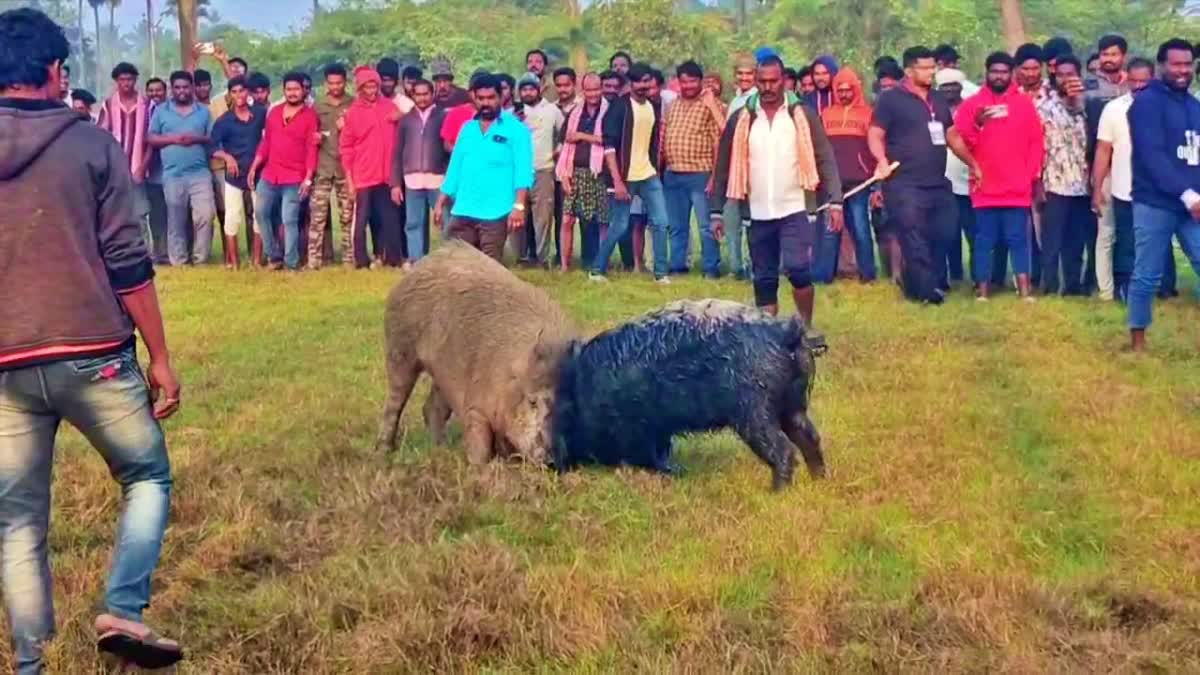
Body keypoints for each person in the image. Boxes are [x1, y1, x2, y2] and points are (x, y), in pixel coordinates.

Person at [0, 9, 182, 671]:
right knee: (146, 474)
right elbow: (128, 262)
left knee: (18, 521)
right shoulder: (92, 142)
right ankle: (123, 609)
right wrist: (160, 357)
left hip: (5, 364)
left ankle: (29, 664)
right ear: (55, 72)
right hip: (94, 352)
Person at [710, 55, 843, 324]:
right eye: (762, 82)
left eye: (773, 81)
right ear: (755, 82)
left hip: (794, 207)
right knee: (764, 277)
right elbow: (723, 165)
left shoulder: (802, 114)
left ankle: (805, 325)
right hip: (757, 211)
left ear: (784, 81)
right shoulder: (742, 118)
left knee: (798, 270)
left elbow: (825, 157)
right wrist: (716, 211)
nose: (768, 87)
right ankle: (769, 336)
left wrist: (836, 201)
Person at [869, 46, 972, 304]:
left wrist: (974, 163)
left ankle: (914, 280)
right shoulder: (891, 99)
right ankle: (927, 292)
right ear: (909, 70)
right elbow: (875, 134)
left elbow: (950, 135)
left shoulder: (937, 99)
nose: (931, 72)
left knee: (945, 231)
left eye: (932, 67)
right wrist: (881, 161)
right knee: (913, 235)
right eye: (925, 68)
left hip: (937, 181)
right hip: (904, 183)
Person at [1126, 39, 1200, 351]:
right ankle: (1138, 341)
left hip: (1192, 203)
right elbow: (1153, 156)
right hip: (1156, 202)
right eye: (1176, 64)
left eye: (1188, 64)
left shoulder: (1194, 105)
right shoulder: (1146, 103)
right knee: (1147, 273)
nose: (1183, 70)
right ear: (1161, 66)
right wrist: (1187, 195)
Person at [953, 51, 1044, 301]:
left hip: (1017, 186)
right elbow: (961, 143)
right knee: (984, 241)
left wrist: (1029, 175)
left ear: (1011, 74)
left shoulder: (1023, 103)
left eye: (1004, 72)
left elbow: (1036, 141)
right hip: (985, 186)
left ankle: (1025, 292)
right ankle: (982, 292)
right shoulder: (971, 105)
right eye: (994, 71)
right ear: (987, 73)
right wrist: (978, 124)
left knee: (1018, 240)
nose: (999, 76)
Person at [435, 75, 533, 262]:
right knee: (454, 263)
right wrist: (440, 202)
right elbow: (455, 167)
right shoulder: (467, 129)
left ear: (501, 97)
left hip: (496, 211)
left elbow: (523, 171)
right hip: (463, 208)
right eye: (481, 99)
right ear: (474, 98)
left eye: (490, 98)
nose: (486, 103)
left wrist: (519, 206)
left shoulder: (517, 130)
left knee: (489, 268)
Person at [591, 63, 671, 283]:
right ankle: (597, 270)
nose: (644, 86)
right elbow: (609, 147)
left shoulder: (653, 106)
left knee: (661, 222)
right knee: (620, 225)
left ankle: (661, 274)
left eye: (647, 81)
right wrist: (617, 181)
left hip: (648, 174)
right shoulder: (620, 107)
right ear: (630, 83)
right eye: (639, 81)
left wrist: (655, 167)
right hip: (625, 177)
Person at [1093, 58, 1154, 303]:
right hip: (1124, 189)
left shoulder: (1163, 107)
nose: (1138, 86)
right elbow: (1103, 150)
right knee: (1126, 242)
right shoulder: (1114, 109)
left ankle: (1157, 287)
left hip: (1157, 191)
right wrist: (1097, 188)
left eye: (1144, 81)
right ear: (1126, 78)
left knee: (1152, 243)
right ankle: (1125, 291)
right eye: (1134, 81)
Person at [248, 71, 318, 271]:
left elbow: (312, 149)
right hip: (270, 174)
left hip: (295, 177)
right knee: (260, 213)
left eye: (296, 89)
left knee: (289, 219)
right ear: (284, 90)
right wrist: (254, 167)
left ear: (303, 91)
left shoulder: (310, 116)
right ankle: (274, 256)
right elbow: (266, 142)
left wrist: (308, 179)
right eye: (289, 89)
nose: (293, 93)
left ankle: (291, 262)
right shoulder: (275, 112)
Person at [662, 60, 726, 277]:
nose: (688, 86)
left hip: (701, 174)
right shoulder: (673, 105)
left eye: (692, 81)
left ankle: (711, 268)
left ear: (700, 81)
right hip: (673, 174)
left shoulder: (710, 104)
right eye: (684, 82)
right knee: (677, 226)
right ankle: (678, 266)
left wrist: (713, 178)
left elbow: (720, 141)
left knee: (706, 226)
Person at [1036, 54, 1091, 296]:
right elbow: (1035, 145)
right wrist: (1037, 182)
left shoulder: (1088, 106)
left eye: (1071, 74)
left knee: (1076, 239)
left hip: (1082, 182)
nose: (1066, 78)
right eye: (1061, 74)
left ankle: (1073, 285)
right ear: (1054, 76)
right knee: (1051, 240)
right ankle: (1048, 285)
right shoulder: (1043, 107)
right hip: (1054, 183)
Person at [148, 70, 214, 266]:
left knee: (205, 214)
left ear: (192, 88)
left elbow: (211, 137)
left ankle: (200, 259)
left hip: (199, 173)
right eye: (177, 87)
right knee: (176, 218)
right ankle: (178, 260)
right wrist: (174, 139)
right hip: (173, 174)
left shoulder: (203, 111)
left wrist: (196, 138)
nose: (182, 91)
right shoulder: (161, 111)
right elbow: (150, 138)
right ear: (172, 89)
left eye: (185, 87)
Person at [818, 67, 877, 283]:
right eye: (839, 90)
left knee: (861, 229)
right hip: (832, 183)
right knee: (830, 231)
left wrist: (875, 182)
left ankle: (868, 275)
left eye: (848, 90)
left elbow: (874, 147)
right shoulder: (826, 114)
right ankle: (825, 277)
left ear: (856, 89)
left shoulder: (867, 113)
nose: (843, 94)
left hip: (859, 182)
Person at [339, 66, 402, 269]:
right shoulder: (353, 113)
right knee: (361, 220)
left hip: (386, 175)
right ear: (359, 88)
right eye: (367, 86)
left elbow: (408, 116)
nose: (371, 89)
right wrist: (350, 181)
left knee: (390, 218)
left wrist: (399, 115)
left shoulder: (390, 106)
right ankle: (360, 260)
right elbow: (346, 148)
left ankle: (392, 258)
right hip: (363, 175)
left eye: (374, 85)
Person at [209, 75, 266, 269]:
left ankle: (256, 260)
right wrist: (227, 157)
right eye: (234, 92)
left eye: (242, 91)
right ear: (230, 95)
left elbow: (270, 137)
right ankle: (234, 262)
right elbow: (212, 147)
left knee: (259, 215)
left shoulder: (259, 114)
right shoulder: (224, 120)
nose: (238, 95)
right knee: (232, 217)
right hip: (234, 175)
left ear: (248, 92)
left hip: (257, 172)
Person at [391, 78, 449, 264]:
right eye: (418, 94)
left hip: (438, 179)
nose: (422, 98)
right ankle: (416, 260)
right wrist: (395, 183)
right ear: (412, 95)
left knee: (446, 221)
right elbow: (397, 152)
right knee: (413, 223)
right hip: (412, 180)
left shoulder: (442, 116)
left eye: (426, 94)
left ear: (432, 94)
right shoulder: (406, 120)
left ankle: (450, 259)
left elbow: (448, 149)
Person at [557, 72, 609, 272]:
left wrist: (581, 136)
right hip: (574, 172)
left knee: (602, 220)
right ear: (583, 90)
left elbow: (609, 139)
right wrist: (564, 175)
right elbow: (566, 140)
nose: (593, 94)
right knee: (567, 219)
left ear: (601, 89)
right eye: (589, 90)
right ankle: (564, 266)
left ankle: (601, 263)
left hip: (599, 173)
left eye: (596, 89)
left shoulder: (608, 111)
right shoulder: (575, 112)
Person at [933, 68, 979, 287]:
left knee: (973, 233)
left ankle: (979, 277)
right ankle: (953, 275)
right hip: (942, 181)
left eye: (954, 85)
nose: (949, 90)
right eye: (944, 86)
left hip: (968, 180)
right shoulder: (932, 110)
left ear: (961, 86)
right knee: (947, 233)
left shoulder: (971, 109)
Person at [97, 62, 153, 244]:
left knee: (140, 213)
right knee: (115, 213)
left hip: (139, 168)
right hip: (115, 170)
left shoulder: (147, 105)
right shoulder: (107, 105)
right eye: (122, 79)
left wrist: (143, 166)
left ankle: (144, 251)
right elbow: (101, 137)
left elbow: (152, 140)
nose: (126, 83)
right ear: (116, 81)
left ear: (135, 80)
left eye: (130, 79)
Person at [513, 72, 564, 267]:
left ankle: (543, 259)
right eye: (523, 89)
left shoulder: (552, 110)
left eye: (531, 89)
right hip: (518, 173)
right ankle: (522, 257)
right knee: (518, 217)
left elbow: (564, 133)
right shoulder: (513, 114)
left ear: (538, 90)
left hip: (543, 170)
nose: (527, 93)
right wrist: (516, 122)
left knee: (543, 219)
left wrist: (557, 151)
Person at [310, 64, 356, 268]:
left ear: (345, 82)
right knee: (317, 216)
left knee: (347, 215)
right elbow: (309, 133)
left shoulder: (354, 104)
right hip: (323, 167)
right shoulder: (318, 106)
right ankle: (314, 259)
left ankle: (349, 258)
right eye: (331, 83)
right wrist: (315, 137)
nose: (335, 86)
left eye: (339, 82)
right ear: (325, 83)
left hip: (346, 169)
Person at [144, 77, 169, 263]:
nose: (155, 94)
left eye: (158, 90)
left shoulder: (170, 111)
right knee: (155, 213)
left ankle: (171, 251)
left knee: (174, 213)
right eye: (151, 90)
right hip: (150, 171)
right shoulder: (143, 112)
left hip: (171, 170)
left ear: (165, 91)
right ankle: (158, 251)